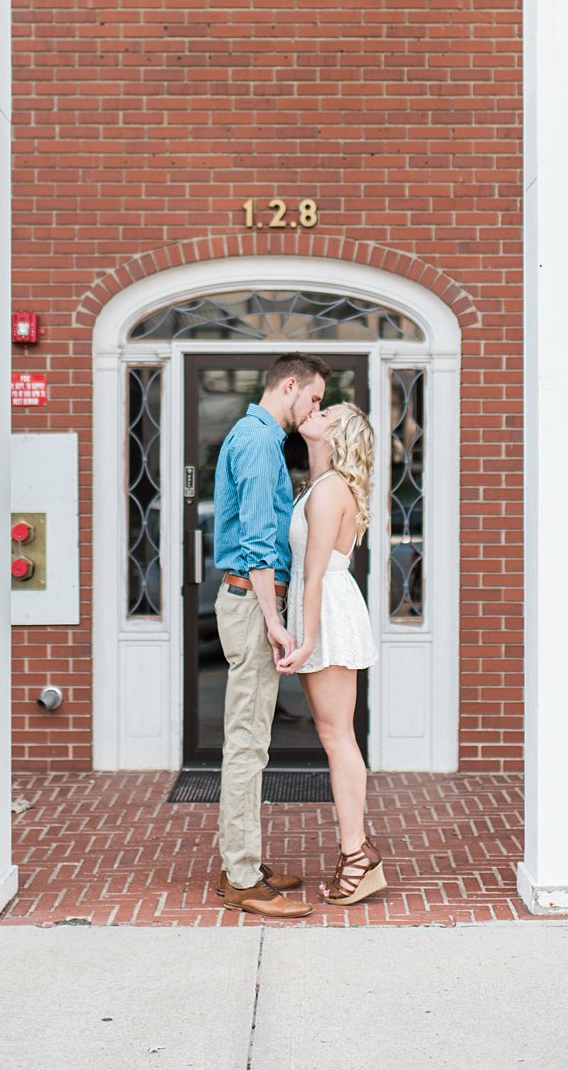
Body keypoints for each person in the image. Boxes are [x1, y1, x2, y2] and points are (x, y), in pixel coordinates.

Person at [213, 352, 331, 919]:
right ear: (290, 386)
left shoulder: (252, 434)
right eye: (312, 398)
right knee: (247, 740)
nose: (316, 408)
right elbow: (259, 541)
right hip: (252, 599)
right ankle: (240, 877)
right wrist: (275, 618)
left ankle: (244, 862)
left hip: (246, 597)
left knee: (250, 736)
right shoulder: (259, 443)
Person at [279, 401, 385, 906]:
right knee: (331, 733)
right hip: (320, 608)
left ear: (337, 437)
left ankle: (356, 855)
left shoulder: (329, 490)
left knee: (337, 736)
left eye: (327, 413)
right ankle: (357, 851)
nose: (314, 411)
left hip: (328, 612)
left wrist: (305, 639)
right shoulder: (318, 485)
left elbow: (316, 573)